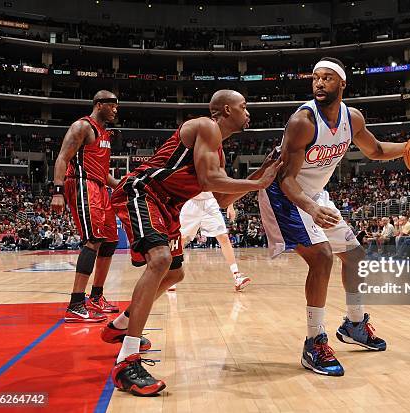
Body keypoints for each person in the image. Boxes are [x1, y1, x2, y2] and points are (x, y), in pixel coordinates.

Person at [258, 57, 410, 376]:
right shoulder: (303, 121)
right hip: (286, 196)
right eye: (315, 77)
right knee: (321, 258)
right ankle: (314, 342)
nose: (319, 83)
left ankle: (355, 325)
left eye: (327, 78)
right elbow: (287, 179)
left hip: (316, 196)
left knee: (356, 255)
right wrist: (312, 207)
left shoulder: (352, 119)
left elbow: (374, 151)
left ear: (342, 84)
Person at [104, 90, 281, 396]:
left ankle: (122, 323)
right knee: (159, 260)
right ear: (226, 110)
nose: (248, 112)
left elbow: (223, 197)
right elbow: (210, 179)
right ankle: (126, 362)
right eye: (243, 106)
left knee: (175, 273)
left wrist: (262, 171)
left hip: (168, 205)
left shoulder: (219, 149)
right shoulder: (205, 126)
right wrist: (257, 183)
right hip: (144, 191)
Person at [51, 90, 121, 322]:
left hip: (100, 186)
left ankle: (96, 297)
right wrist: (58, 191)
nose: (115, 109)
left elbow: (103, 174)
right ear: (99, 104)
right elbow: (62, 157)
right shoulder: (82, 126)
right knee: (93, 240)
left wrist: (124, 184)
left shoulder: (105, 134)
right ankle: (76, 304)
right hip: (81, 184)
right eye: (112, 105)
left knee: (110, 241)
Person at [176, 192, 251, 292]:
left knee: (223, 237)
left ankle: (237, 276)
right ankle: (171, 276)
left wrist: (230, 205)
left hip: (210, 203)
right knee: (180, 239)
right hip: (191, 202)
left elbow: (225, 182)